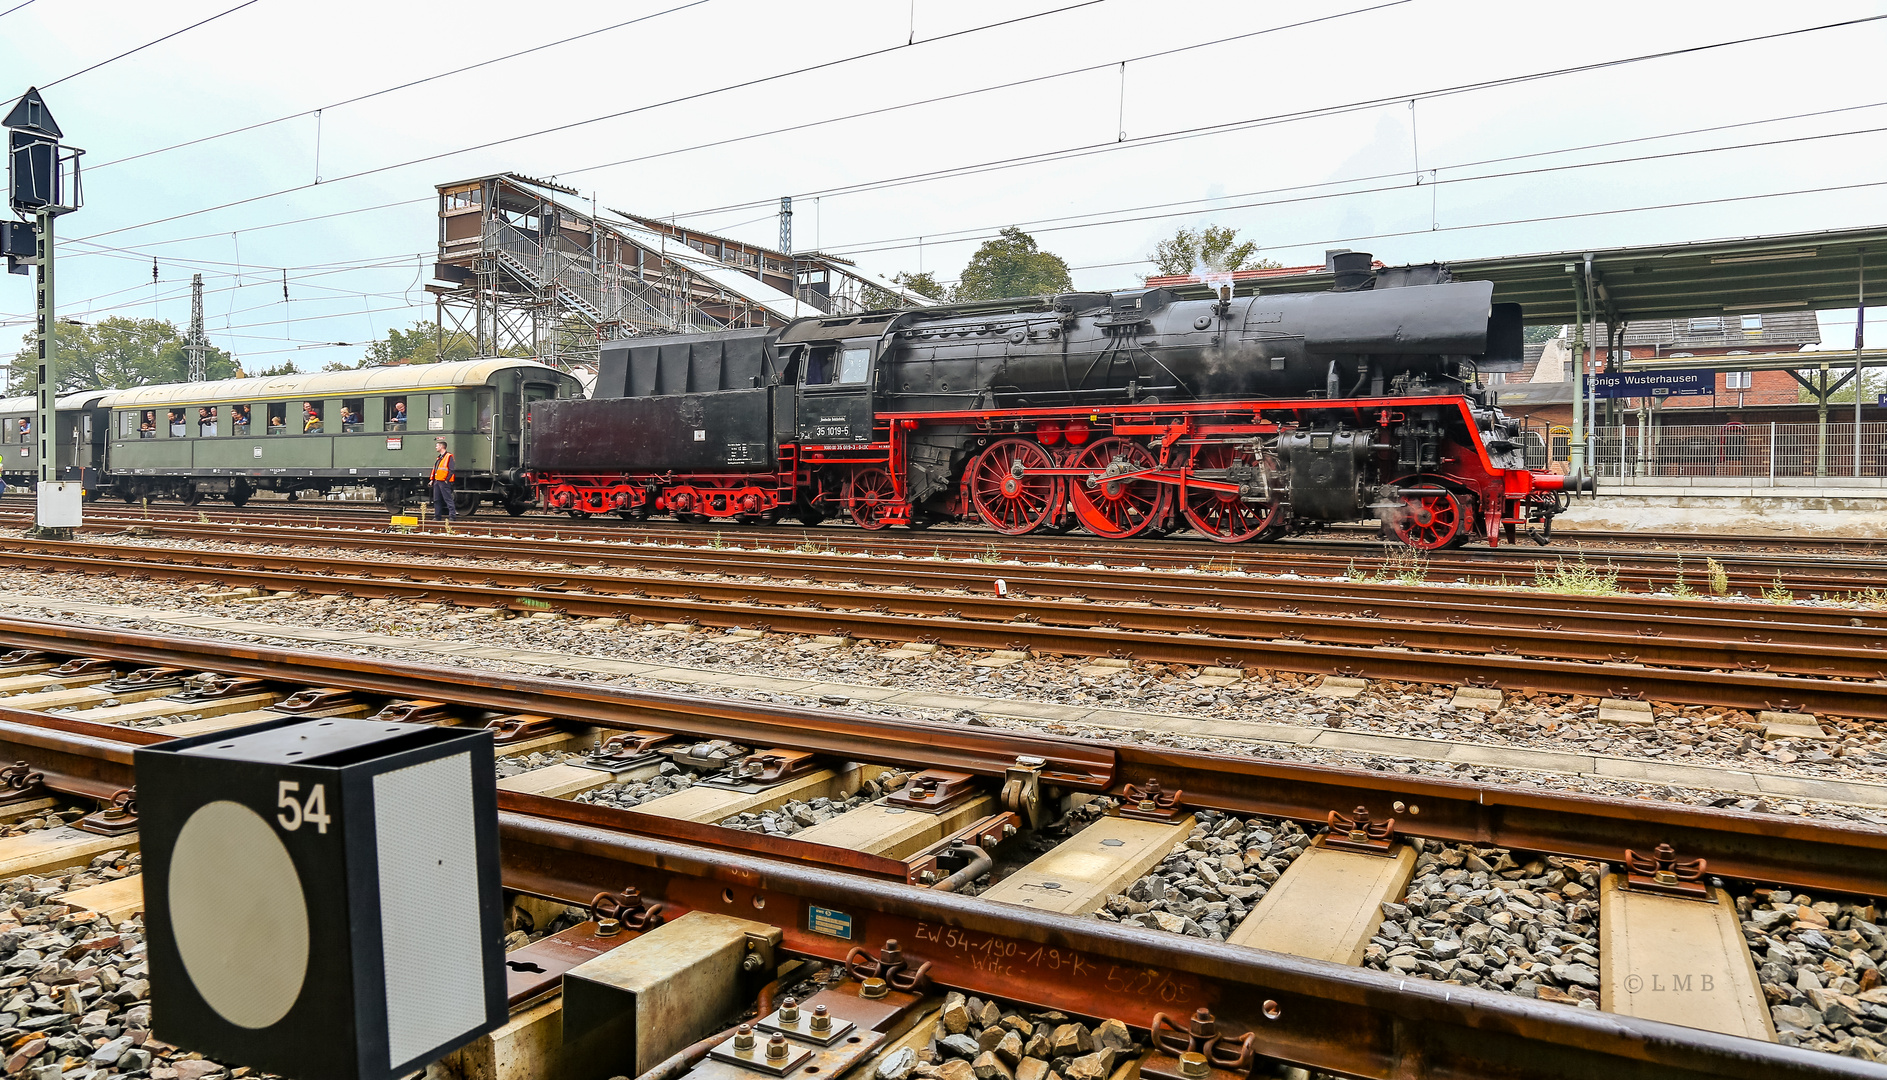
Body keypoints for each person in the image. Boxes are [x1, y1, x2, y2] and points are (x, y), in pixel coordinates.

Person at [430, 438, 457, 522]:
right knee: (436, 500)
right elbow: (436, 470)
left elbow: (451, 469)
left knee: (448, 499)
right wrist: (432, 480)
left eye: (437, 446)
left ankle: (452, 517)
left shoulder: (449, 456)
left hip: (444, 482)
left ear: (442, 447)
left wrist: (446, 479)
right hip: (437, 481)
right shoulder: (439, 458)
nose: (436, 447)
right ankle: (437, 516)